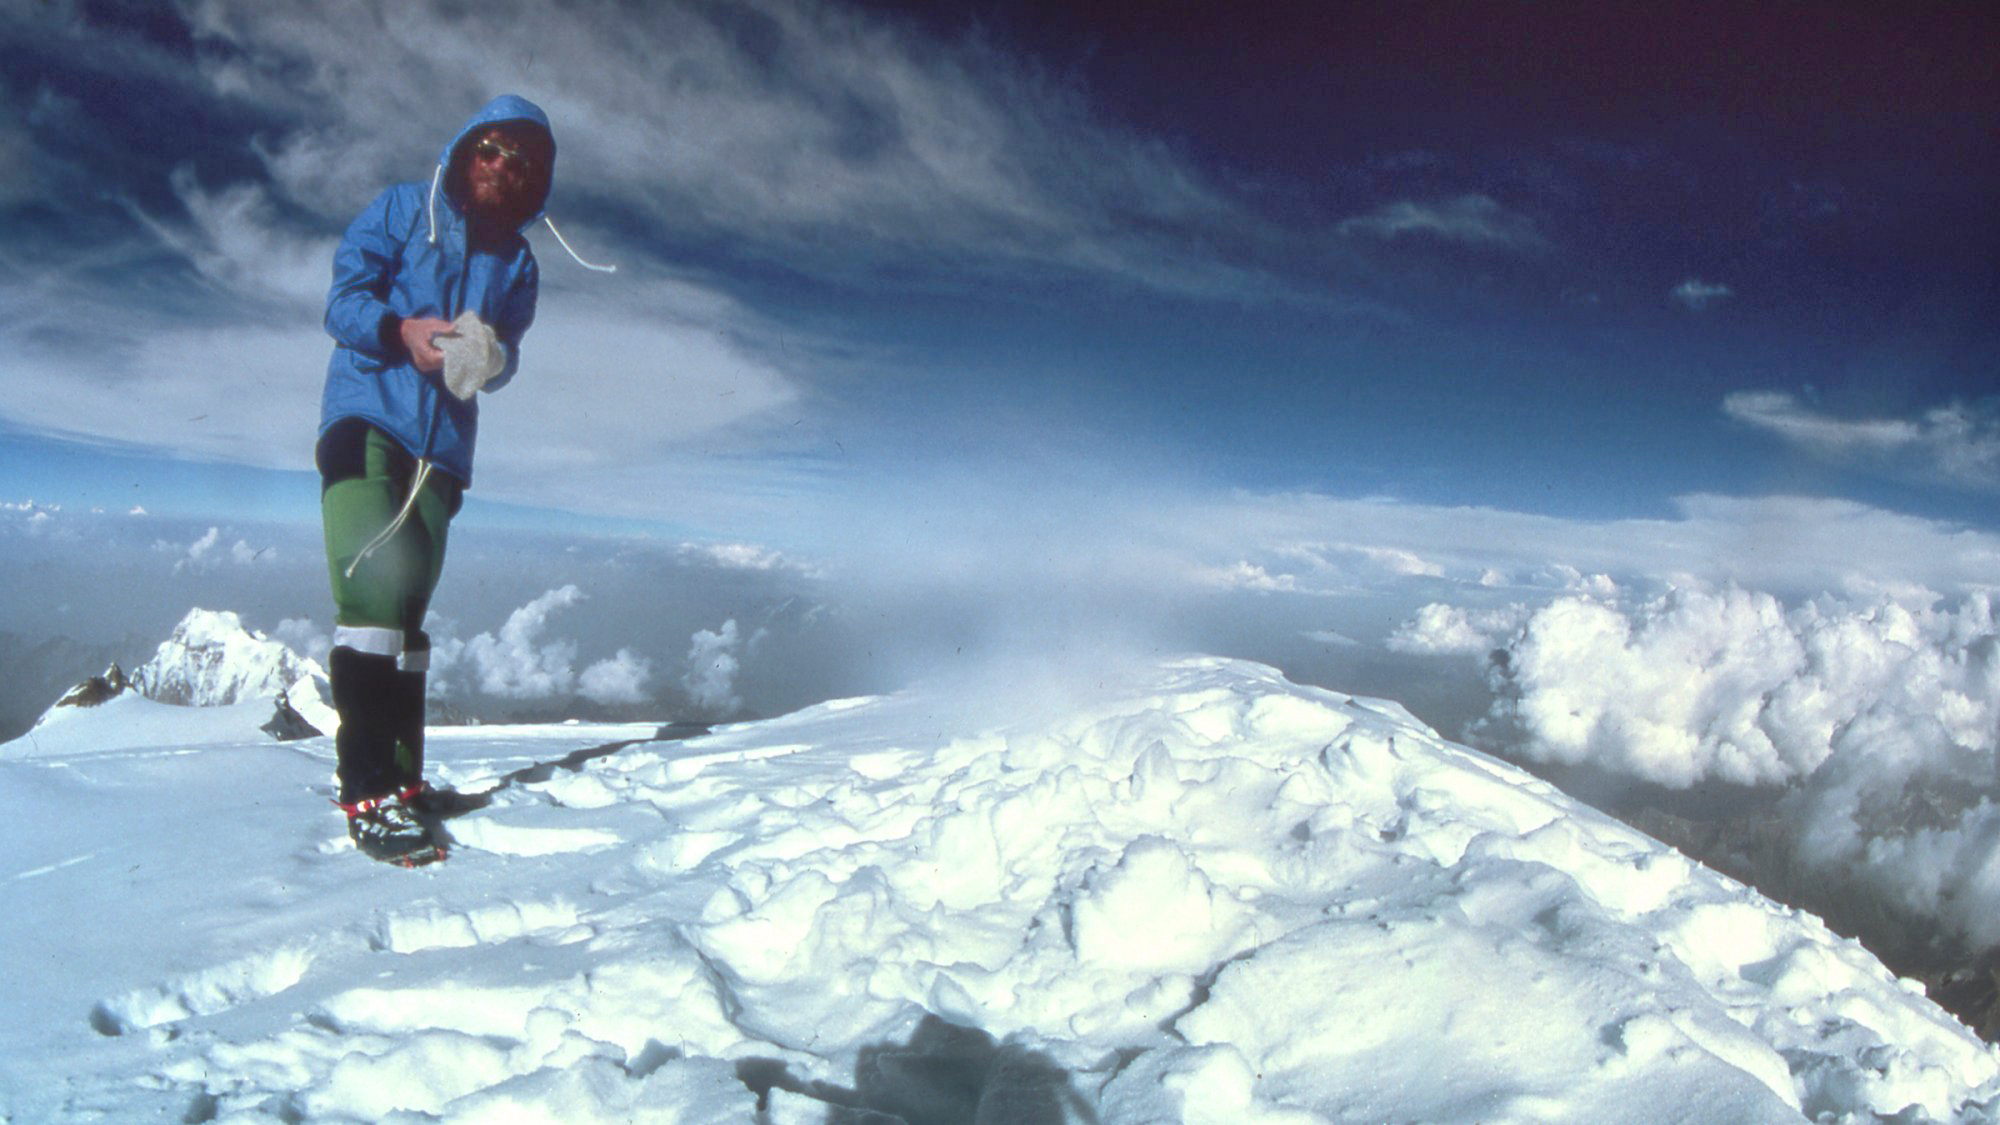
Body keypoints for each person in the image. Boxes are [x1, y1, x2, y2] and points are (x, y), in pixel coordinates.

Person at [316, 94, 558, 864]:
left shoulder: (518, 263)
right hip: (367, 417)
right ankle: (365, 794)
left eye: (521, 160)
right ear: (466, 148)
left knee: (409, 619)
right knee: (372, 600)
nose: (502, 166)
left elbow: (507, 357)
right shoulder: (400, 210)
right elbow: (343, 302)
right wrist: (401, 330)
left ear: (534, 179)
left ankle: (404, 782)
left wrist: (492, 359)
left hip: (443, 451)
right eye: (491, 148)